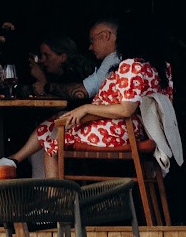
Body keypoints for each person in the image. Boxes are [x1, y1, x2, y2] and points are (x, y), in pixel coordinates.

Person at [14, 23, 170, 175]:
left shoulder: (131, 65)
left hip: (118, 130)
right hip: (134, 129)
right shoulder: (161, 68)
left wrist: (86, 108)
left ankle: (55, 200)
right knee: (55, 125)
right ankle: (13, 160)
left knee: (51, 145)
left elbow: (126, 108)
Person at [28, 31, 88, 99]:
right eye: (42, 55)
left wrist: (43, 81)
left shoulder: (77, 75)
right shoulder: (53, 76)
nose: (42, 60)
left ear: (62, 57)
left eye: (47, 55)